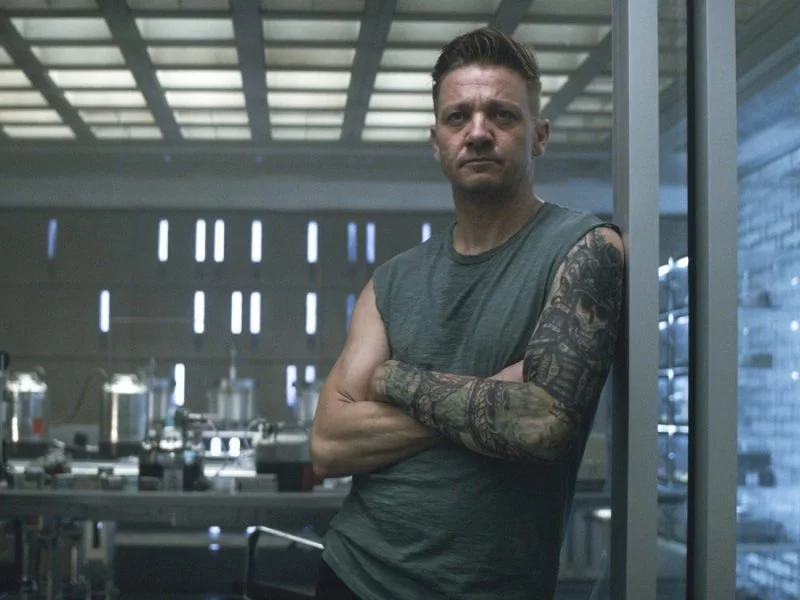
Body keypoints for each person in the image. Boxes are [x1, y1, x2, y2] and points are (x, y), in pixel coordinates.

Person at [310, 26, 625, 600]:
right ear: (436, 141)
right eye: (458, 117)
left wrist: (392, 379)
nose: (478, 132)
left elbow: (542, 424)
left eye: (502, 115)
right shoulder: (392, 281)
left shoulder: (585, 248)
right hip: (355, 574)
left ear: (539, 136)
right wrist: (491, 397)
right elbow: (329, 445)